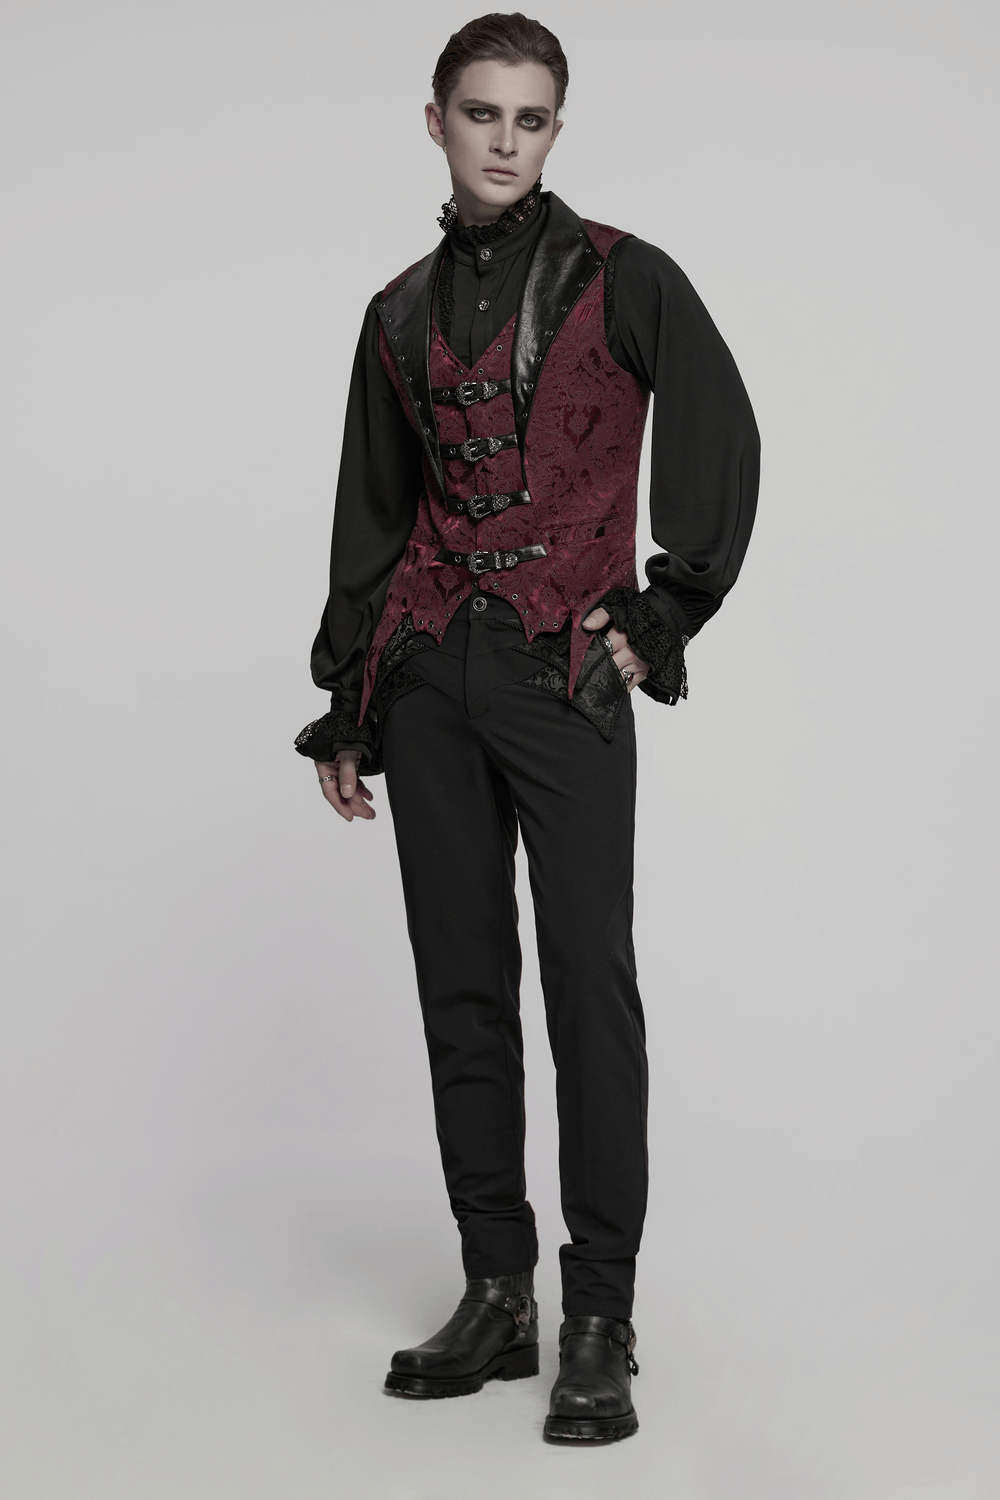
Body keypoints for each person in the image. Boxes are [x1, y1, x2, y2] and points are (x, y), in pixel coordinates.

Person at [295, 11, 759, 1444]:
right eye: (482, 112)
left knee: (587, 987)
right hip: (429, 676)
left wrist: (667, 606)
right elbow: (374, 510)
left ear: (558, 128)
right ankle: (498, 1293)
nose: (505, 140)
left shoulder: (627, 276)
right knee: (461, 985)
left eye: (532, 117)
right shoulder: (393, 313)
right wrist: (349, 698)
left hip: (567, 675)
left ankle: (600, 1313)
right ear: (434, 118)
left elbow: (723, 432)